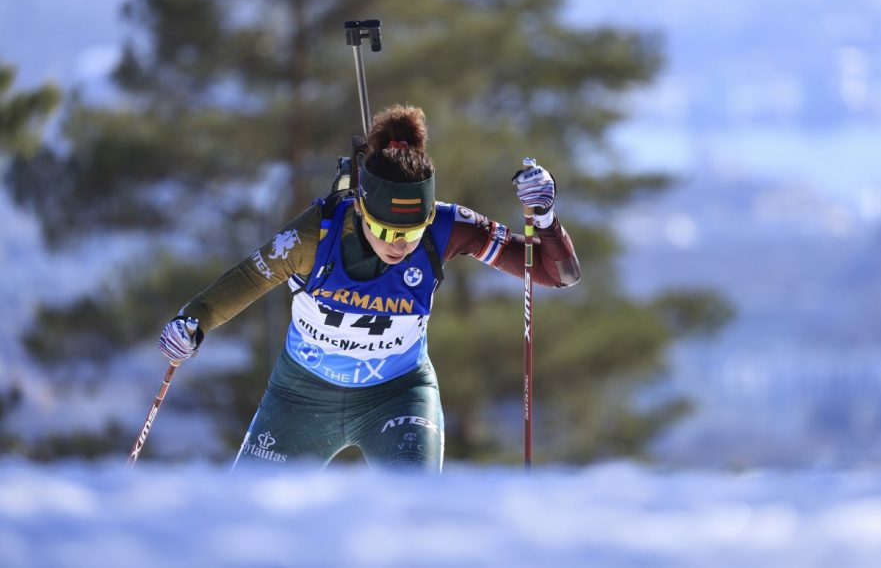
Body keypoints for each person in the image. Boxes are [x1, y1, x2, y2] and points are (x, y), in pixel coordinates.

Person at [158, 103, 581, 472]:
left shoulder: (447, 227)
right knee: (241, 520)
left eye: (413, 231)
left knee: (413, 517)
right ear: (360, 207)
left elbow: (556, 274)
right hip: (301, 396)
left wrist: (544, 218)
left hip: (398, 395)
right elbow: (250, 278)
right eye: (385, 229)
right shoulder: (316, 233)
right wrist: (192, 322)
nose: (400, 245)